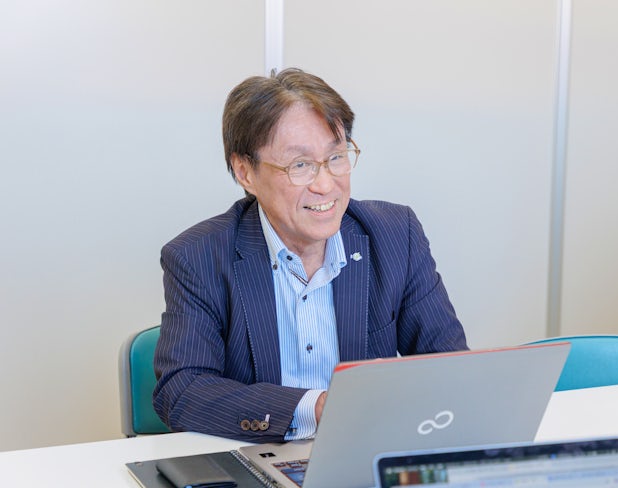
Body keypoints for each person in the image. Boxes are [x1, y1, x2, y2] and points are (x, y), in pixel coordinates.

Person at [153, 68, 468, 443]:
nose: (325, 184)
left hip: (367, 453)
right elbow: (182, 391)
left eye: (336, 157)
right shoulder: (199, 257)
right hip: (261, 455)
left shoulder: (396, 235)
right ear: (245, 172)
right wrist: (314, 408)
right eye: (300, 165)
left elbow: (450, 368)